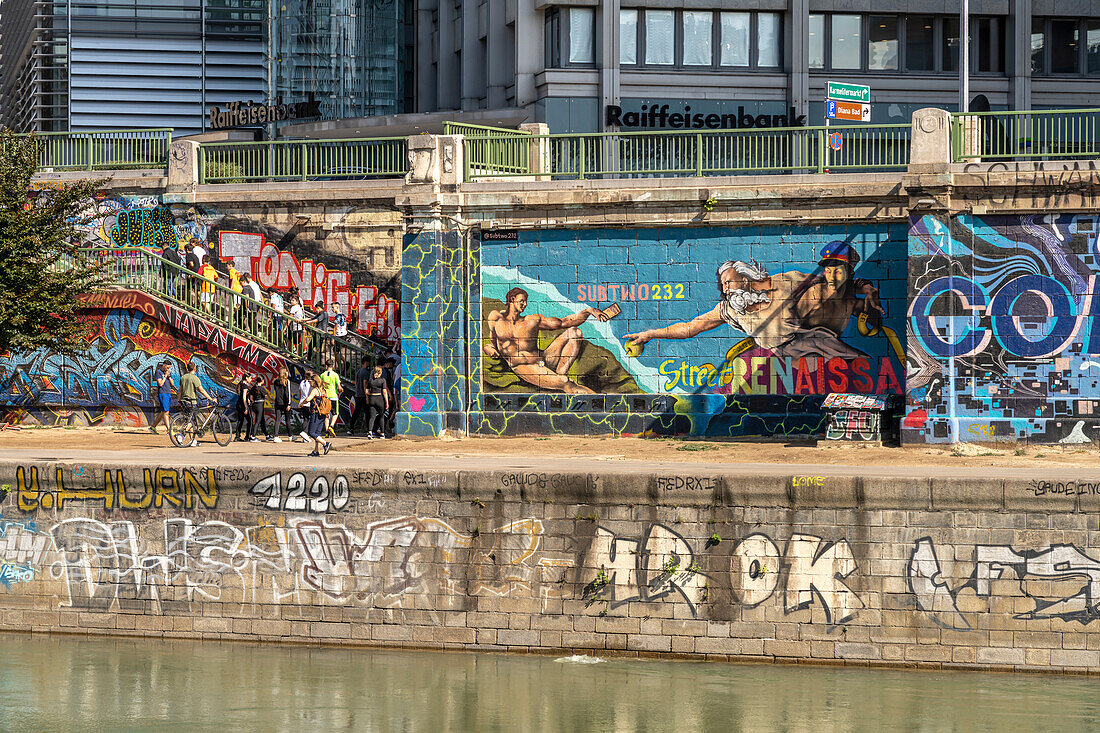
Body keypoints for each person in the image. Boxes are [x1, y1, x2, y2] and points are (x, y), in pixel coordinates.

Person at [625, 246, 885, 362]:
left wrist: (867, 288)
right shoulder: (727, 310)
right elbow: (690, 328)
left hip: (812, 339)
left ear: (747, 277)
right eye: (723, 285)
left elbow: (836, 280)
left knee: (860, 360)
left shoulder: (787, 282)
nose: (726, 290)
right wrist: (649, 334)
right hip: (784, 355)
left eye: (730, 282)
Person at [484, 287, 608, 394]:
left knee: (574, 332)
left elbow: (564, 322)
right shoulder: (495, 318)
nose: (525, 304)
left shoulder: (532, 321)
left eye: (526, 301)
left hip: (543, 361)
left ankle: (560, 372)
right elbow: (494, 339)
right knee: (567, 383)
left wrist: (589, 311)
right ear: (512, 299)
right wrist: (489, 348)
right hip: (525, 366)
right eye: (522, 301)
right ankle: (599, 405)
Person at [178, 361, 213, 446]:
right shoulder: (194, 378)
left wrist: (178, 400)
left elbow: (180, 390)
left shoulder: (183, 377)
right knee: (192, 420)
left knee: (189, 421)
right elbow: (201, 390)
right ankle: (180, 435)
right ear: (194, 368)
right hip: (192, 401)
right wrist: (210, 398)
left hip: (184, 401)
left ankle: (192, 441)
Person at [302, 374, 332, 457]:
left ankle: (325, 443)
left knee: (311, 432)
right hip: (322, 414)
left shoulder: (315, 390)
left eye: (310, 381)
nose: (309, 383)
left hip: (315, 413)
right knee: (317, 433)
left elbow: (308, 399)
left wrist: (301, 403)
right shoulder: (323, 390)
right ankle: (316, 451)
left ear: (314, 381)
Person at [365, 365, 392, 439]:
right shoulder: (383, 380)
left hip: (372, 399)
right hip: (379, 399)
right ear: (381, 372)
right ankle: (382, 433)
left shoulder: (370, 380)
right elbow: (384, 392)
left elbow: (366, 391)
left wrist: (371, 394)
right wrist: (387, 402)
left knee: (372, 416)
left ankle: (370, 432)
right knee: (381, 416)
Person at [348, 355, 372, 434]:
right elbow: (365, 384)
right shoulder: (365, 372)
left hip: (358, 394)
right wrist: (367, 396)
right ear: (366, 362)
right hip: (363, 395)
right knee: (367, 413)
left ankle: (351, 428)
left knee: (356, 412)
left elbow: (356, 383)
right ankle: (369, 430)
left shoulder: (358, 371)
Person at [319, 359, 342, 436]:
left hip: (325, 397)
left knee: (326, 414)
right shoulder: (335, 375)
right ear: (333, 366)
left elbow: (320, 387)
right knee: (335, 413)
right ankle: (331, 426)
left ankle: (326, 431)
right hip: (334, 396)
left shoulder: (322, 375)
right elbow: (339, 387)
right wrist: (341, 390)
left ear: (326, 366)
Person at [270, 368, 293, 442]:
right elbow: (288, 393)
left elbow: (276, 391)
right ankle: (290, 436)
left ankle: (276, 436)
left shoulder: (276, 381)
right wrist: (289, 403)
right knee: (287, 420)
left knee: (277, 419)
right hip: (285, 403)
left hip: (278, 402)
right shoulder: (287, 381)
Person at [150, 360, 173, 434]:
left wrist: (168, 376)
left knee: (164, 411)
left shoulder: (168, 373)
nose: (168, 369)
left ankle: (153, 427)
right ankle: (169, 430)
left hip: (168, 393)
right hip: (163, 393)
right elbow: (160, 384)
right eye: (167, 367)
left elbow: (172, 383)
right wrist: (165, 376)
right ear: (164, 365)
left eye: (169, 368)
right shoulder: (158, 372)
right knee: (166, 412)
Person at [246, 375, 270, 442]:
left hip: (254, 405)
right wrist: (273, 401)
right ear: (262, 381)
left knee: (262, 420)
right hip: (260, 405)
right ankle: (253, 437)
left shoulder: (253, 388)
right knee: (257, 421)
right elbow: (266, 396)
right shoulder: (261, 388)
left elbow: (251, 397)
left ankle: (267, 435)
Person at [296, 370, 316, 442]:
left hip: (302, 402)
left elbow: (300, 393)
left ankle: (305, 435)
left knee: (305, 419)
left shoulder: (302, 382)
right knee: (311, 419)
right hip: (308, 403)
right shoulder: (310, 383)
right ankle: (306, 433)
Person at [235, 374, 252, 442]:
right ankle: (247, 436)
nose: (251, 380)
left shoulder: (241, 384)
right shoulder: (245, 386)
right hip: (242, 406)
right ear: (246, 378)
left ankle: (237, 436)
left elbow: (243, 396)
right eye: (250, 378)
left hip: (239, 405)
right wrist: (246, 408)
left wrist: (247, 399)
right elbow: (244, 397)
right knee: (250, 421)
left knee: (240, 421)